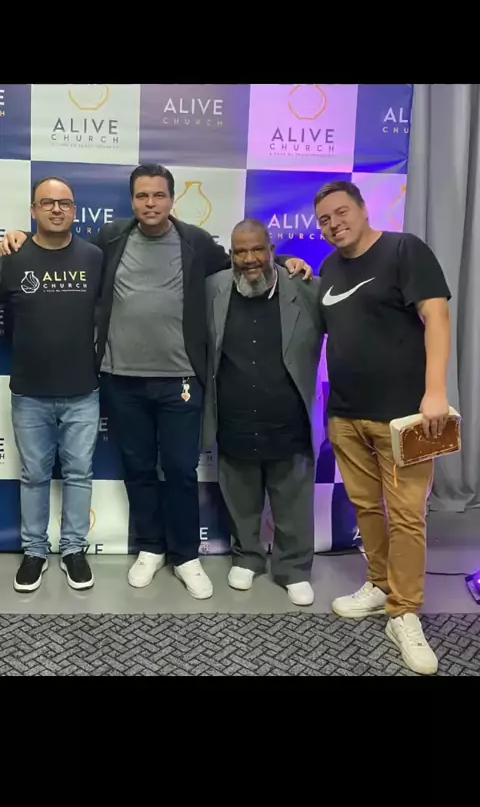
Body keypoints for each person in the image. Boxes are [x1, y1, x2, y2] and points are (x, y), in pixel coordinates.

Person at [0, 164, 312, 600]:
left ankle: (185, 556)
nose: (150, 203)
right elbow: (52, 249)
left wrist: (283, 261)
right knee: (139, 469)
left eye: (159, 195)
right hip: (121, 379)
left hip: (180, 380)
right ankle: (150, 548)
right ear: (132, 200)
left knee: (181, 470)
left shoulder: (195, 241)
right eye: (142, 195)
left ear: (172, 199)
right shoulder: (109, 239)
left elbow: (242, 261)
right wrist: (16, 235)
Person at [314, 179, 451, 675]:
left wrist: (435, 392)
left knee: (408, 516)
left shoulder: (403, 249)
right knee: (367, 507)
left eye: (341, 212)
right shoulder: (329, 268)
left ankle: (405, 612)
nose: (334, 224)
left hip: (405, 416)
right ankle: (379, 582)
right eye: (324, 220)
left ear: (362, 209)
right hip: (345, 414)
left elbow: (437, 317)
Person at [202, 218, 324, 606]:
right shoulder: (214, 288)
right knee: (240, 498)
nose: (249, 258)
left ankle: (294, 568)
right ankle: (247, 557)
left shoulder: (305, 287)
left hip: (289, 420)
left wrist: (290, 261)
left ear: (272, 250)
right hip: (234, 418)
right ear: (231, 256)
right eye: (240, 252)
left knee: (293, 501)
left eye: (258, 249)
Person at [0, 177, 102, 592]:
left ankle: (74, 550)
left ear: (75, 211)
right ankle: (35, 552)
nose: (56, 209)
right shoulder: (12, 257)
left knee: (79, 474)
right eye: (47, 203)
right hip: (29, 392)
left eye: (64, 203)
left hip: (83, 390)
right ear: (33, 210)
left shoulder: (94, 257)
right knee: (34, 475)